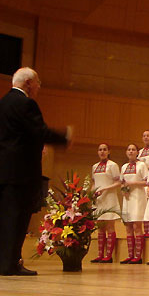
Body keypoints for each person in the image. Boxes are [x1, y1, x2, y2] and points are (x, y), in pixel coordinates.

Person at [0, 67, 70, 276]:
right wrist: (63, 138)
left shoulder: (2, 103)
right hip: (20, 174)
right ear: (29, 83)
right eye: (38, 83)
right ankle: (9, 264)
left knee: (4, 219)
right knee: (16, 219)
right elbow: (38, 130)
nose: (39, 88)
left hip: (3, 172)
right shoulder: (26, 103)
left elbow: (18, 135)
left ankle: (6, 262)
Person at [90, 143, 122, 263]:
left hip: (109, 198)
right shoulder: (94, 166)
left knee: (109, 226)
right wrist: (92, 193)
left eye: (104, 149)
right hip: (98, 200)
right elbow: (94, 182)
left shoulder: (112, 165)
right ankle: (100, 254)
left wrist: (104, 189)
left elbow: (118, 183)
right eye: (100, 150)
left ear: (109, 151)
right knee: (100, 228)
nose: (102, 152)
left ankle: (109, 255)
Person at [119, 144, 148, 264]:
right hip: (127, 199)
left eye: (133, 150)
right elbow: (122, 182)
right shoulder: (124, 166)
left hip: (138, 198)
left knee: (137, 226)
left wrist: (132, 183)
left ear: (137, 152)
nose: (131, 151)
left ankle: (138, 256)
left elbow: (147, 181)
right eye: (129, 149)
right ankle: (130, 255)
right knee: (128, 227)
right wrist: (123, 190)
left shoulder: (141, 165)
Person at [138, 129, 149, 238]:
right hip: (141, 180)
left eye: (148, 136)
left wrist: (147, 167)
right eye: (144, 136)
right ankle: (146, 229)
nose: (146, 138)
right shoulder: (139, 152)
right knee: (144, 205)